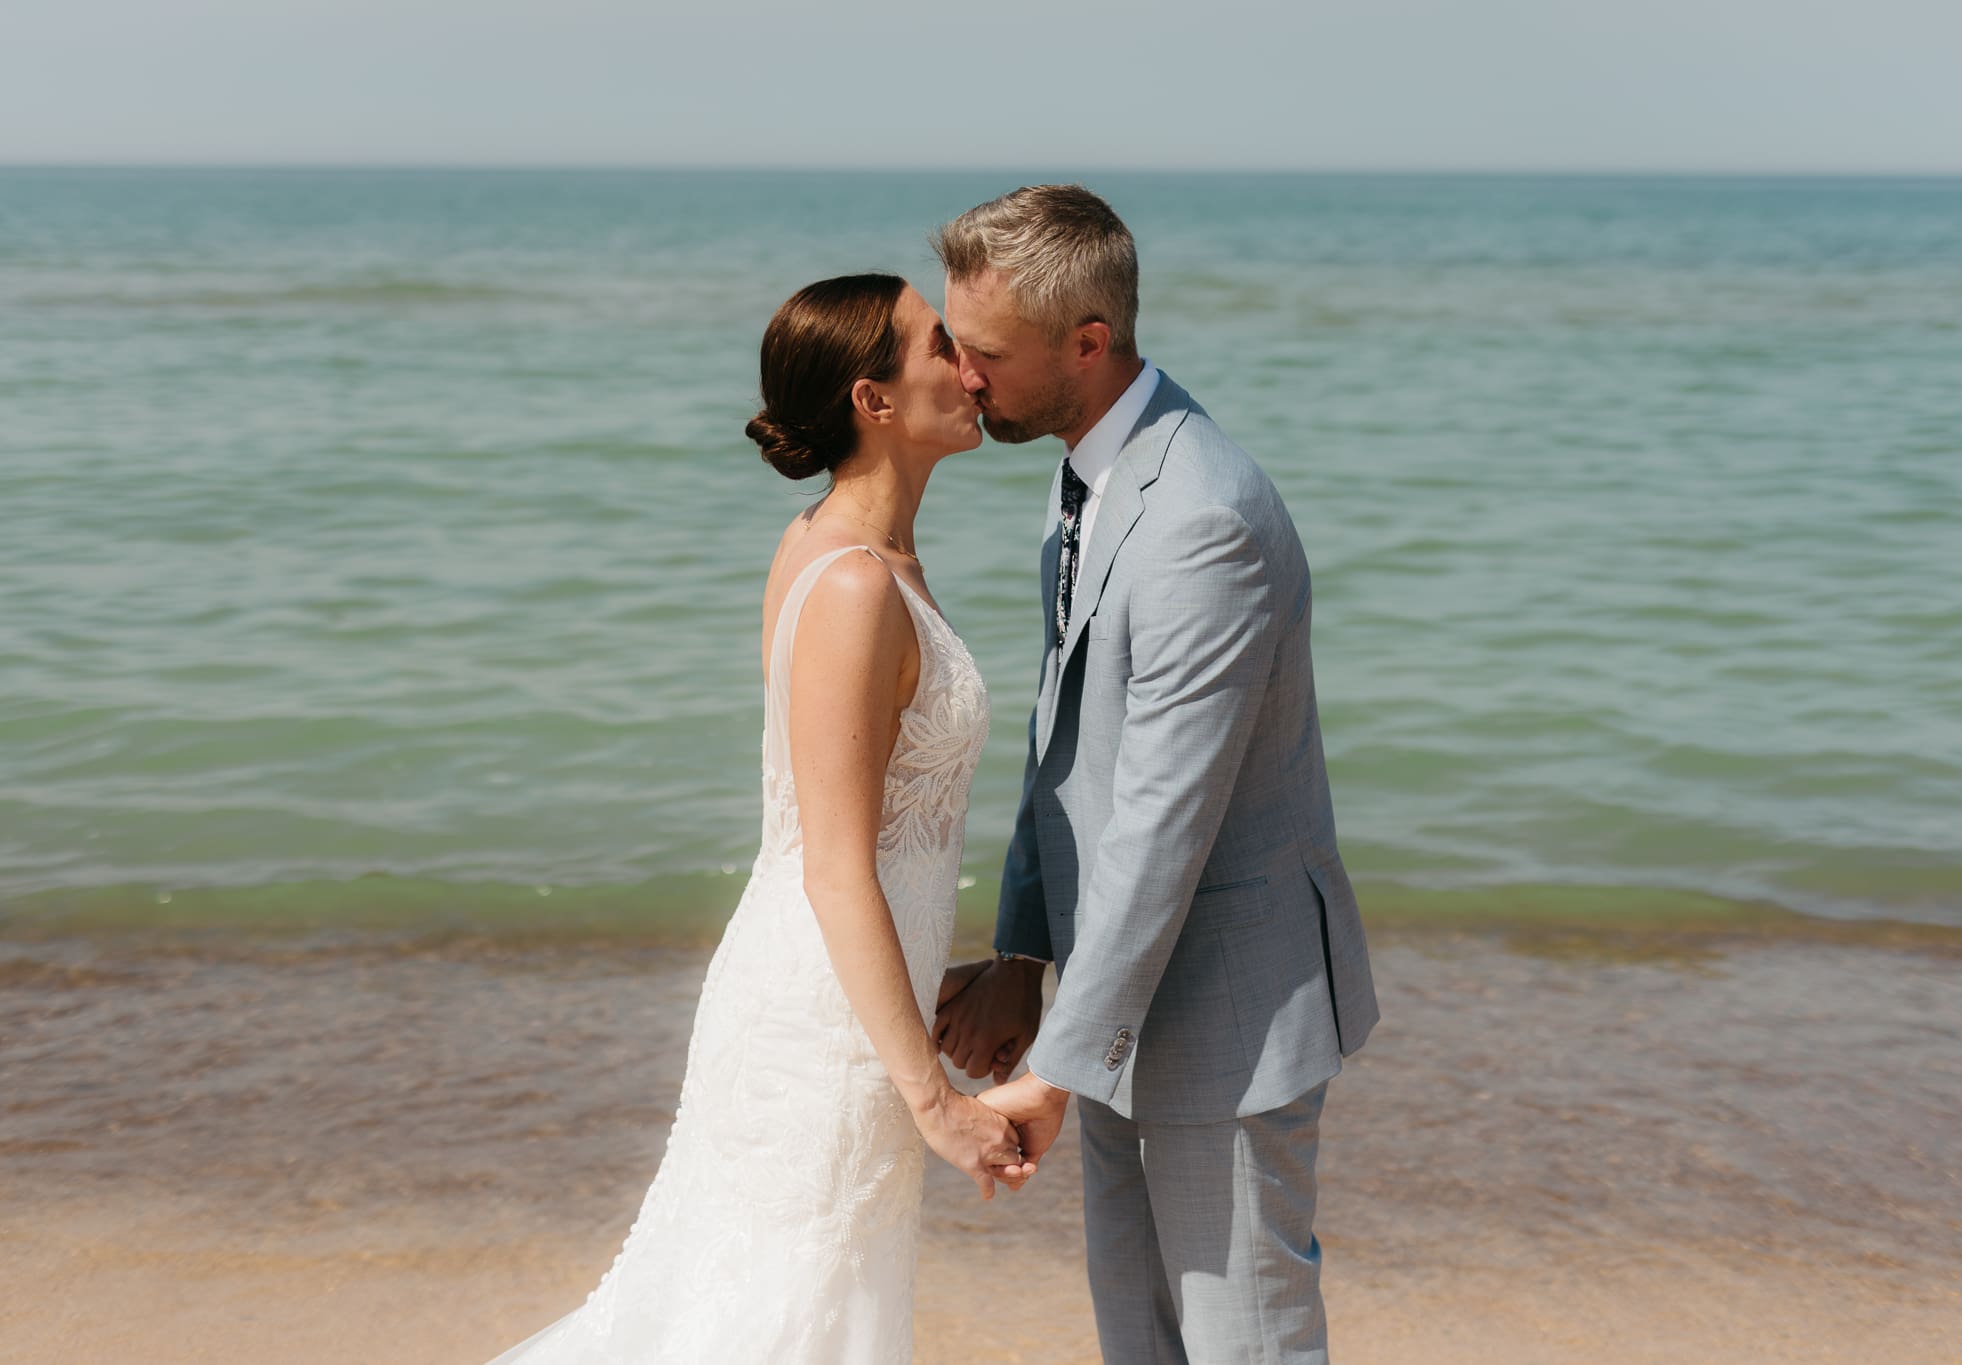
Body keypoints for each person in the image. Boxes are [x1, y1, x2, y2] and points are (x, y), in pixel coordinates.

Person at [485, 273, 1029, 1364]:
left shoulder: (842, 551)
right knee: (764, 1321)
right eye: (938, 345)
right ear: (872, 399)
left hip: (840, 1002)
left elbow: (872, 838)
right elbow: (831, 866)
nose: (968, 364)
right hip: (816, 1031)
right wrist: (933, 1102)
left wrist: (944, 975)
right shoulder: (851, 587)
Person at [936, 186, 1380, 1365]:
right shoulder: (1085, 470)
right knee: (1137, 1337)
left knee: (1243, 1344)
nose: (963, 376)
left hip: (1227, 1011)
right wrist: (1027, 959)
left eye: (985, 353)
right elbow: (1062, 742)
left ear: (1087, 343)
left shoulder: (1200, 521)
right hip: (1116, 991)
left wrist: (1050, 1071)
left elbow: (1160, 821)